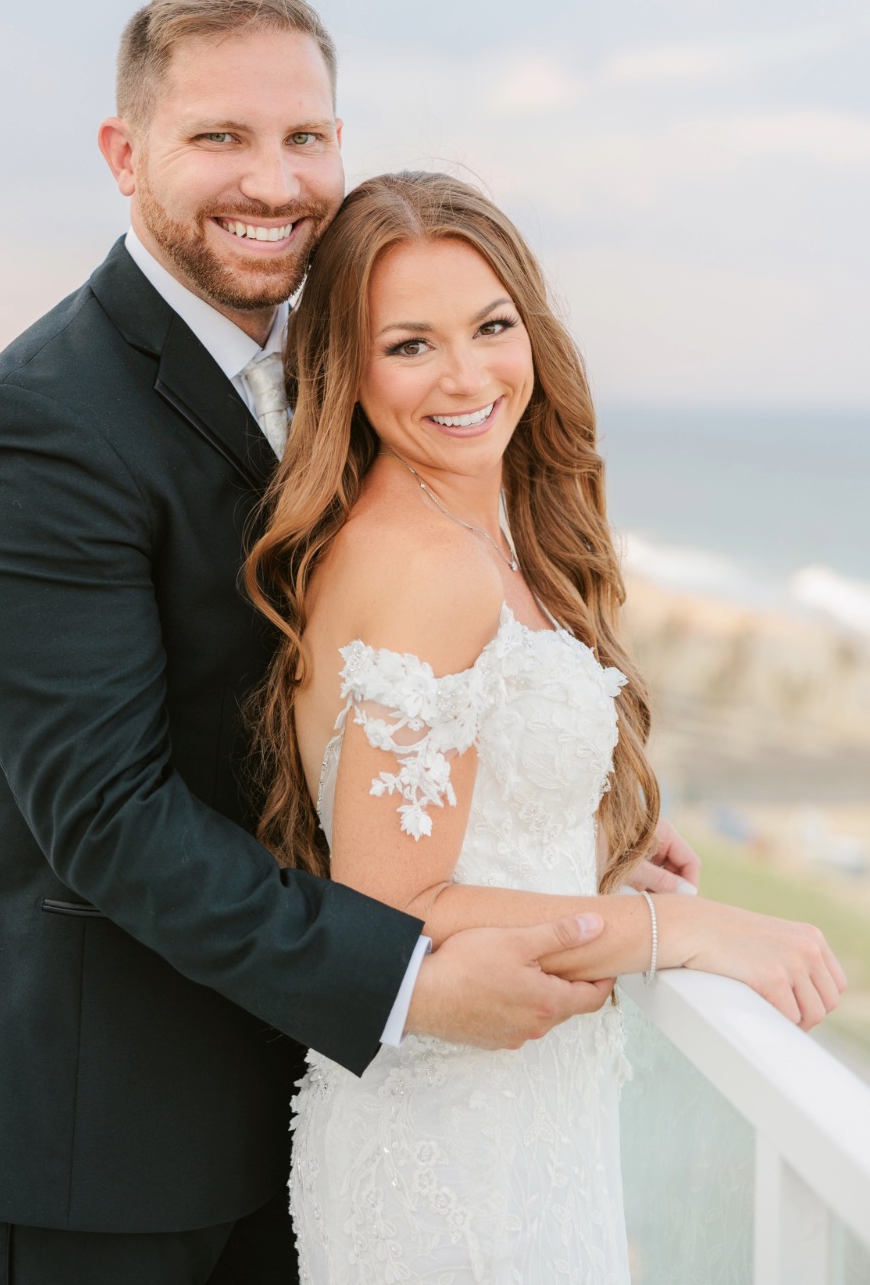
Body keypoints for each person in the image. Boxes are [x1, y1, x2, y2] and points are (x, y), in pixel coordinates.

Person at [0, 0, 690, 1285]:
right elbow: (107, 817)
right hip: (118, 1121)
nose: (274, 180)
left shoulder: (344, 356)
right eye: (221, 139)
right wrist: (406, 984)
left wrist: (557, 831)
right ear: (124, 154)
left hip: (320, 1105)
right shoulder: (39, 424)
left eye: (306, 137)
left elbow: (371, 686)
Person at [245, 170, 847, 1284]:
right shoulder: (419, 565)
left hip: (526, 1113)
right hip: (444, 1149)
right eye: (410, 345)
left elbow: (469, 823)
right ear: (345, 367)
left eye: (490, 325)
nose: (467, 375)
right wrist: (686, 935)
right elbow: (394, 906)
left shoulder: (476, 528)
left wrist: (596, 854)